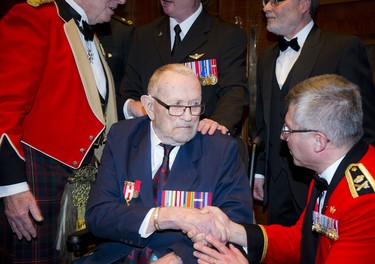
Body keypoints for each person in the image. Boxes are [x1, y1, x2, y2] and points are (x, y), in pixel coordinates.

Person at [192, 74, 375, 263]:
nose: (282, 136)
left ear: (318, 141)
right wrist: (230, 230)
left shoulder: (366, 202)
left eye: (288, 129)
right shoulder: (331, 169)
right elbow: (301, 240)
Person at [83, 64, 253, 263]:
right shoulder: (122, 138)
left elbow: (235, 225)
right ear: (149, 107)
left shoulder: (220, 150)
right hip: (119, 255)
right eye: (177, 106)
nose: (189, 116)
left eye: (195, 105)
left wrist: (180, 257)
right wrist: (163, 216)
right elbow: (99, 215)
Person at [0, 0, 125, 262]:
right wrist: (12, 188)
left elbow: (85, 105)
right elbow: (4, 107)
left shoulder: (90, 30)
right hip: (35, 180)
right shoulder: (36, 17)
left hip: (82, 181)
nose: (122, 1)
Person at [253, 0, 375, 226]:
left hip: (324, 184)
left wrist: (350, 184)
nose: (266, 7)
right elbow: (263, 120)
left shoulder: (342, 48)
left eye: (276, 1)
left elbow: (364, 126)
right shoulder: (266, 57)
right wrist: (259, 172)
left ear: (304, 4)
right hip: (276, 184)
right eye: (265, 1)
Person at [118, 0, 249, 139]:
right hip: (151, 145)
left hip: (203, 142)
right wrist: (134, 107)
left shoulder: (226, 36)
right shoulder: (144, 36)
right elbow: (128, 92)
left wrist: (216, 124)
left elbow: (234, 92)